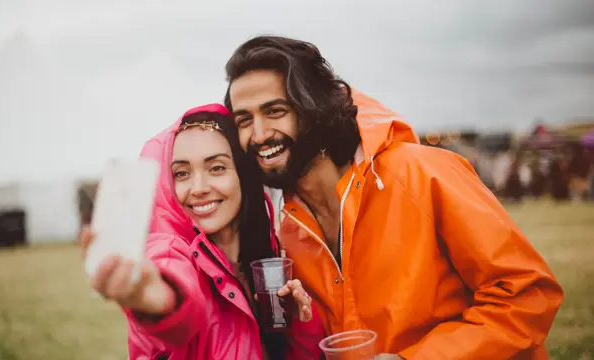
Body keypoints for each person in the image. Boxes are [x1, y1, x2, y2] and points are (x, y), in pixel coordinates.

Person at [223, 35, 564, 359]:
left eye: (275, 111)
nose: (259, 134)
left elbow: (527, 295)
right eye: (244, 120)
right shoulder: (289, 232)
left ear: (312, 108)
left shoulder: (422, 173)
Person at [79, 104, 324, 360]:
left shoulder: (270, 254)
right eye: (182, 173)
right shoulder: (170, 253)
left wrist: (300, 325)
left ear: (243, 174)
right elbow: (175, 294)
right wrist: (161, 300)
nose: (199, 188)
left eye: (216, 168)